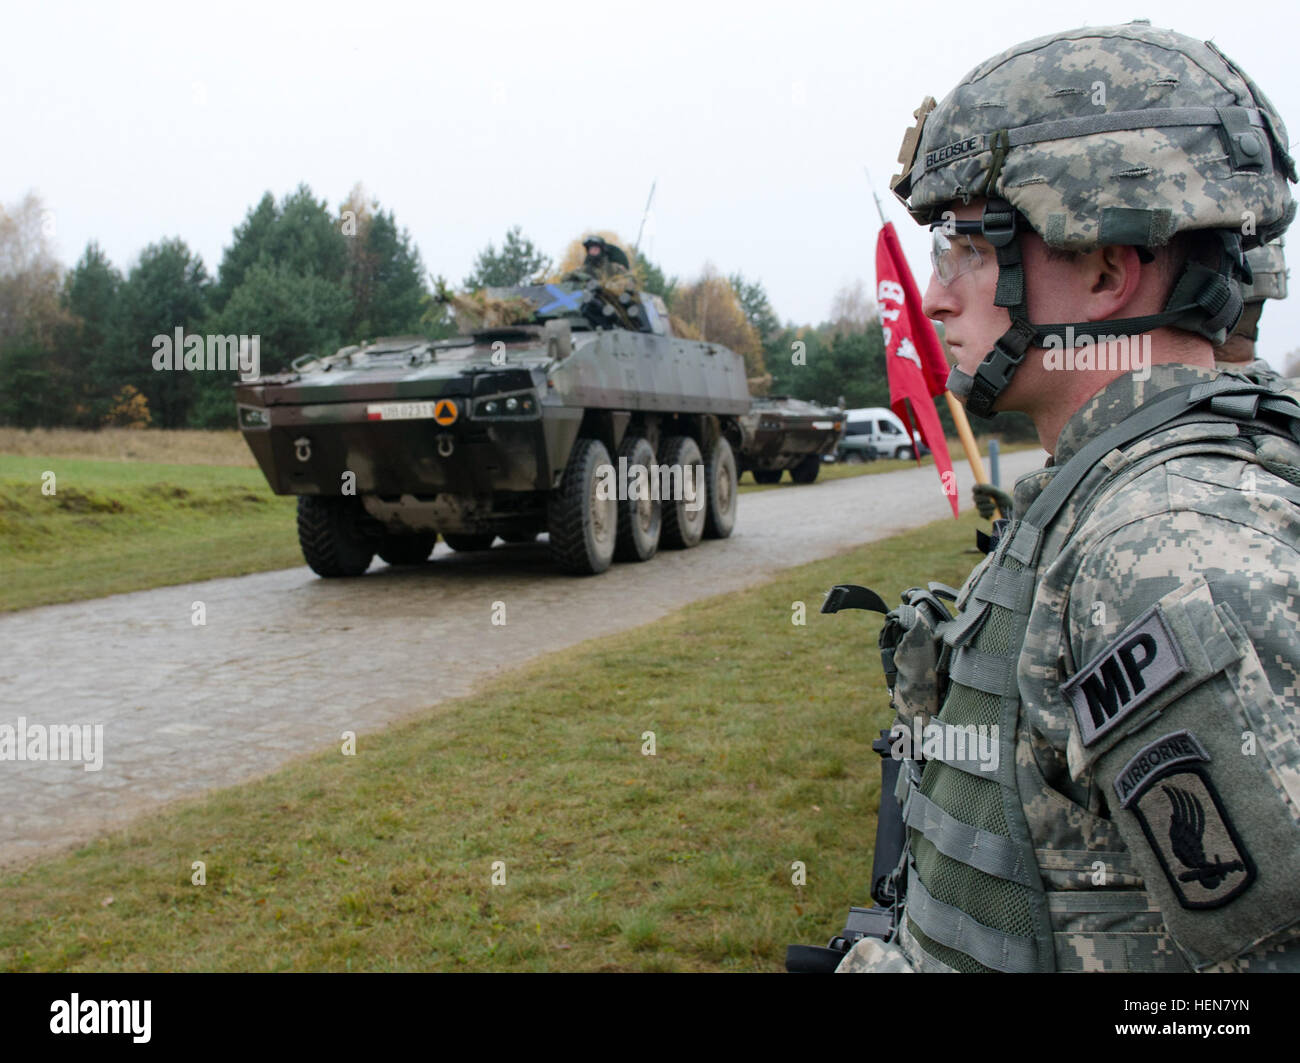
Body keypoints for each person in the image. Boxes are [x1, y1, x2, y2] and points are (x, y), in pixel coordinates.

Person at [837, 21, 1300, 973]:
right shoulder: (1112, 494)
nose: (934, 297)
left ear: (1102, 269)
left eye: (966, 244)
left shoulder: (1163, 544)